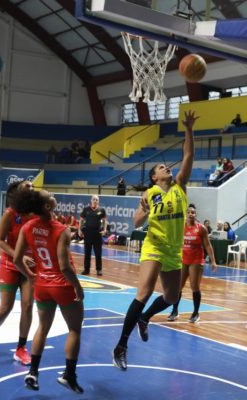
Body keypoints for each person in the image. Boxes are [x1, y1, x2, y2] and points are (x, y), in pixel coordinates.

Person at [112, 110, 197, 371]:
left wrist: (189, 129)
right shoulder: (149, 194)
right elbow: (136, 223)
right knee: (144, 292)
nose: (166, 168)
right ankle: (121, 346)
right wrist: (144, 211)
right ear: (154, 177)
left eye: (166, 167)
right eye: (161, 168)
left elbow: (188, 155)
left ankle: (145, 318)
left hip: (174, 249)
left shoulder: (180, 186)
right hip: (154, 246)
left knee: (172, 297)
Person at [11, 189, 85, 393]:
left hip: (42, 285)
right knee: (75, 330)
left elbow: (17, 259)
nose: (54, 195)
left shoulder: (28, 227)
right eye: (50, 195)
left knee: (42, 328)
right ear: (47, 206)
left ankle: (33, 372)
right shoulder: (62, 230)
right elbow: (64, 266)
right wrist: (77, 286)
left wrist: (32, 276)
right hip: (62, 285)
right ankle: (69, 375)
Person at [0, 180, 36, 365]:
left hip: (30, 266)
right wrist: (18, 256)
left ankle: (21, 348)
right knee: (6, 307)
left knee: (28, 306)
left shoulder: (38, 212)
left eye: (32, 186)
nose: (31, 188)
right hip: (10, 264)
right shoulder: (10, 213)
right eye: (27, 186)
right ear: (17, 193)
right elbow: (0, 240)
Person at [168, 204, 217, 322]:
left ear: (196, 215)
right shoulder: (180, 227)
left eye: (193, 212)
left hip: (196, 260)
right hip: (183, 259)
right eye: (189, 212)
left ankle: (195, 313)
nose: (191, 214)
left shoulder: (201, 228)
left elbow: (207, 245)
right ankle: (175, 311)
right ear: (186, 214)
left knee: (194, 286)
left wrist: (213, 261)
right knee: (178, 286)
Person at [79, 195, 107, 276]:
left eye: (97, 200)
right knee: (87, 252)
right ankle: (86, 269)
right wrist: (79, 230)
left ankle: (99, 270)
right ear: (91, 200)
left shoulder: (102, 210)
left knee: (98, 253)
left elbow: (105, 221)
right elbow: (81, 220)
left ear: (98, 201)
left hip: (97, 234)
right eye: (94, 199)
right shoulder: (86, 209)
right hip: (88, 233)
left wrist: (104, 230)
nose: (95, 201)